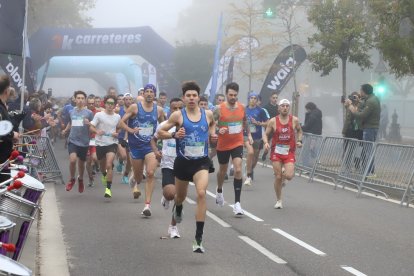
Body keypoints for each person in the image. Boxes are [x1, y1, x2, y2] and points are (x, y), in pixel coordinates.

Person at [157, 81, 217, 253]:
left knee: (200, 193)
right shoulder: (178, 116)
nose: (191, 98)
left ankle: (198, 239)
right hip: (183, 162)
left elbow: (212, 125)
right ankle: (179, 207)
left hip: (201, 162)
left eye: (194, 95)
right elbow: (160, 133)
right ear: (184, 98)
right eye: (188, 96)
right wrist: (174, 134)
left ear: (198, 98)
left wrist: (213, 135)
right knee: (179, 197)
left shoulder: (208, 114)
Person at [119, 84, 165, 216]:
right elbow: (121, 122)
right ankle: (134, 179)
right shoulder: (135, 108)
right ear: (143, 94)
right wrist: (131, 130)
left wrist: (163, 141)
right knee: (139, 178)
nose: (149, 94)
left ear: (154, 95)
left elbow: (163, 126)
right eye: (147, 92)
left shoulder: (159, 110)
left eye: (152, 92)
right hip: (135, 146)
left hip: (150, 146)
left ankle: (147, 206)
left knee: (150, 173)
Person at [214, 82, 252, 216]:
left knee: (238, 169)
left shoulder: (242, 107)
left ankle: (237, 204)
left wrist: (249, 135)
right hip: (223, 144)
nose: (233, 97)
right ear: (226, 94)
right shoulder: (219, 108)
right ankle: (219, 190)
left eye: (235, 95)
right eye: (230, 95)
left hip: (237, 142)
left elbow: (245, 122)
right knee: (223, 171)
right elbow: (211, 124)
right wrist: (219, 130)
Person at [151, 98, 184, 239]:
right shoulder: (165, 125)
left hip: (184, 164)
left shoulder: (188, 124)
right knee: (170, 194)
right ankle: (166, 197)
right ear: (169, 110)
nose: (176, 111)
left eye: (179, 108)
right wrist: (156, 152)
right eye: (173, 108)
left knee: (179, 197)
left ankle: (173, 227)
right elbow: (153, 140)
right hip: (168, 164)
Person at [263, 99, 303, 209]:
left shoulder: (294, 120)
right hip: (276, 152)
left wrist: (299, 141)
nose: (285, 108)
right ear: (279, 108)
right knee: (278, 176)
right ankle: (279, 200)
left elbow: (299, 131)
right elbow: (265, 134)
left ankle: (284, 178)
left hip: (289, 152)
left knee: (289, 176)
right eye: (283, 106)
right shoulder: (273, 121)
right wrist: (266, 142)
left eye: (287, 106)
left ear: (289, 108)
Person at [62, 91, 94, 193]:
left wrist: (89, 124)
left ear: (85, 100)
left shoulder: (89, 113)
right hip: (72, 140)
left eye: (82, 98)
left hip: (84, 142)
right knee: (72, 160)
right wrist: (66, 130)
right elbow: (70, 122)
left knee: (81, 164)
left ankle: (80, 179)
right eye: (78, 98)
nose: (80, 100)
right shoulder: (71, 111)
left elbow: (93, 126)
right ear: (75, 99)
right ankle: (72, 179)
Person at [345, 84, 381, 175]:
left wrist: (351, 107)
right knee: (368, 150)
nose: (360, 92)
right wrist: (358, 101)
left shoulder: (371, 101)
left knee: (368, 151)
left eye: (361, 90)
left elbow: (361, 115)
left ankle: (368, 172)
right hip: (370, 127)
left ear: (364, 91)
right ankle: (369, 171)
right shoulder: (370, 99)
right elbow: (362, 106)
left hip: (369, 128)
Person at [90, 95, 121, 198]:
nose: (110, 105)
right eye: (108, 103)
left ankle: (108, 189)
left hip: (112, 143)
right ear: (105, 103)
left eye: (112, 103)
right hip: (100, 143)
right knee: (103, 167)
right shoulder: (99, 115)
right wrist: (97, 131)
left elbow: (119, 128)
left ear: (115, 105)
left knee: (109, 164)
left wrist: (117, 133)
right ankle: (104, 175)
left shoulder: (117, 116)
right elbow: (91, 127)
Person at [244, 92, 269, 185]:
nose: (253, 100)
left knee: (255, 158)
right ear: (248, 99)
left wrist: (258, 123)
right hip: (246, 135)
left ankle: (250, 169)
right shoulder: (244, 110)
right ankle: (248, 175)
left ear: (257, 100)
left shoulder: (260, 111)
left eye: (255, 98)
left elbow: (267, 123)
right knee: (250, 153)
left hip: (257, 136)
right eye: (251, 98)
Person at [0, 76, 20, 183]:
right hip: (2, 156)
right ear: (7, 90)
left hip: (4, 155)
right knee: (3, 185)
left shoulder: (3, 107)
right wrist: (13, 135)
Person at [117, 93, 133, 184]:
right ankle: (120, 161)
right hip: (120, 136)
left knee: (130, 161)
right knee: (123, 156)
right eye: (126, 99)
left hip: (130, 137)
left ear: (132, 100)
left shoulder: (135, 110)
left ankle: (125, 175)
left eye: (129, 99)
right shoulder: (119, 110)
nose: (127, 101)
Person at [85, 95, 98, 187]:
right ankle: (90, 178)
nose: (91, 105)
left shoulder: (98, 113)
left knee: (95, 158)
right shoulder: (83, 113)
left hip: (95, 138)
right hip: (85, 140)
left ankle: (96, 165)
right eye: (89, 103)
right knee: (88, 161)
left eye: (92, 103)